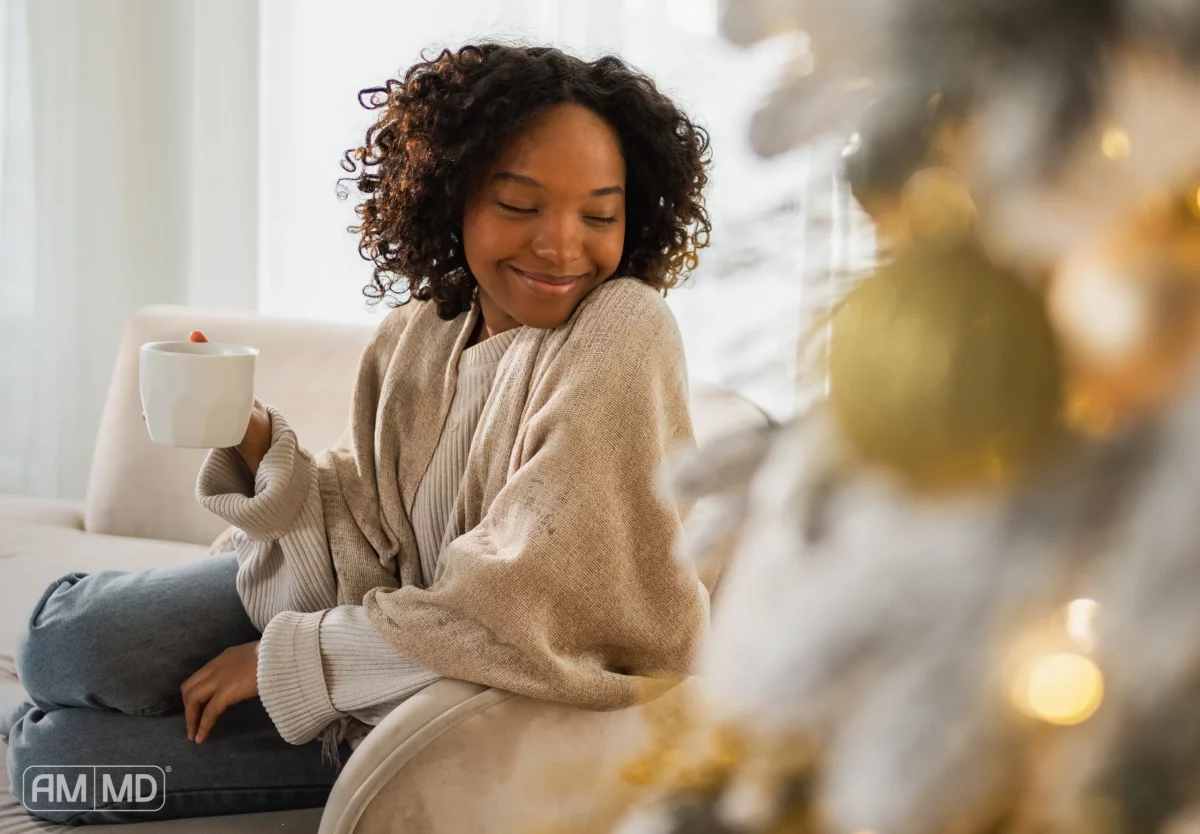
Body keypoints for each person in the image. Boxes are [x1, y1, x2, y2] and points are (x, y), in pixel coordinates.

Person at [0, 43, 713, 824]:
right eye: (519, 205)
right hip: (374, 628)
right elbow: (367, 533)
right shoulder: (424, 328)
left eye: (599, 214)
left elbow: (533, 599)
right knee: (63, 642)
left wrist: (290, 663)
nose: (561, 244)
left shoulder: (624, 328)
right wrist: (252, 435)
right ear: (453, 195)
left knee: (56, 763)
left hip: (457, 706)